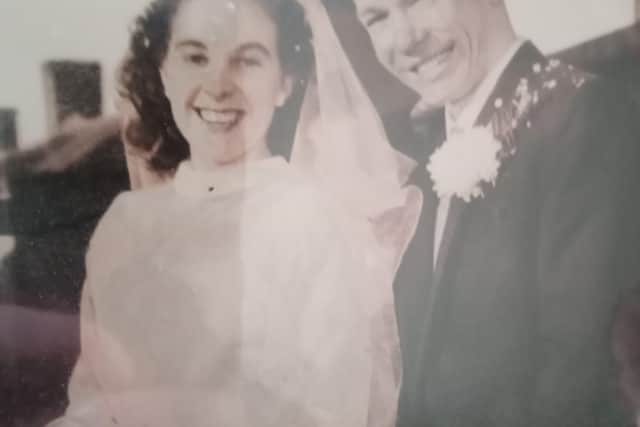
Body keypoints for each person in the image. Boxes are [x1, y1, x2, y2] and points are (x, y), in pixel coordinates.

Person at [49, 0, 420, 425]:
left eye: (247, 60)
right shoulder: (124, 221)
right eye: (195, 57)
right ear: (164, 72)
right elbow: (93, 403)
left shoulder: (311, 220)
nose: (219, 85)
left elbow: (331, 410)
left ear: (285, 82)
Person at [352, 0, 640, 426]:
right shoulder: (426, 149)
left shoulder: (584, 114)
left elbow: (575, 373)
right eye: (377, 18)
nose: (405, 39)